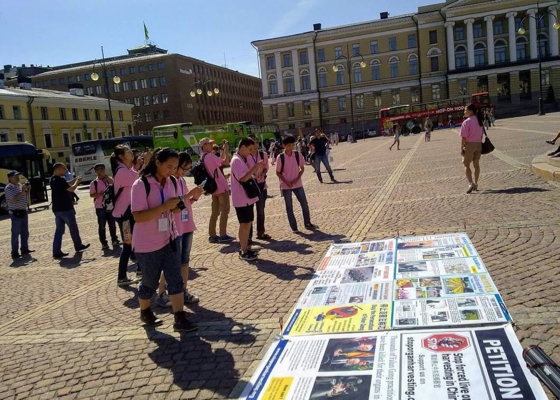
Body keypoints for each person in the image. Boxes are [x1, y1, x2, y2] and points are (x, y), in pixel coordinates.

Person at [131, 148, 196, 332]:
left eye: (175, 167)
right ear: (157, 163)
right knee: (149, 283)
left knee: (175, 279)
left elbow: (176, 203)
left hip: (170, 237)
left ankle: (179, 318)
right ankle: (145, 310)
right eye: (169, 166)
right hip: (147, 244)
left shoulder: (172, 182)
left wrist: (175, 208)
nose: (172, 171)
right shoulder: (141, 184)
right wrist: (163, 207)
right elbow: (138, 217)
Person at [156, 152, 204, 307]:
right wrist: (189, 195)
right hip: (175, 227)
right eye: (183, 168)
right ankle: (162, 293)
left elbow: (185, 203)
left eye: (187, 169)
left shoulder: (181, 180)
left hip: (187, 224)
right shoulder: (169, 182)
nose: (184, 171)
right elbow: (173, 205)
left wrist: (194, 197)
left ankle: (183, 291)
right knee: (171, 263)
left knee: (185, 261)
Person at [111, 145, 150, 286]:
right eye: (127, 151)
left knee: (136, 241)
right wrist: (146, 162)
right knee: (128, 244)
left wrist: (141, 164)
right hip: (124, 215)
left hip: (128, 213)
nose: (131, 152)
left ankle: (140, 271)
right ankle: (122, 277)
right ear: (121, 156)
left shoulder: (128, 169)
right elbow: (141, 177)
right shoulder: (122, 171)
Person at [231, 138, 264, 260]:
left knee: (248, 222)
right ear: (243, 147)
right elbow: (243, 178)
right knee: (244, 224)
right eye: (249, 149)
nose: (250, 152)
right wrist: (255, 167)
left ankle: (246, 247)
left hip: (246, 197)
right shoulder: (236, 161)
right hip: (241, 198)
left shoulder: (242, 159)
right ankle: (243, 250)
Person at [276, 135, 317, 233]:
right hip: (286, 185)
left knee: (304, 203)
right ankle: (294, 227)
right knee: (289, 206)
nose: (291, 147)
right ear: (284, 145)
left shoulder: (297, 154)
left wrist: (297, 179)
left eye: (292, 145)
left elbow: (302, 168)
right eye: (288, 145)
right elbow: (278, 172)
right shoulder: (280, 157)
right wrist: (286, 181)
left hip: (297, 184)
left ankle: (307, 222)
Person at [50, 163, 90, 258]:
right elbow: (71, 189)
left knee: (59, 230)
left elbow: (67, 184)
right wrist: (77, 182)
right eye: (64, 169)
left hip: (57, 209)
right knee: (73, 227)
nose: (65, 171)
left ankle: (56, 250)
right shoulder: (60, 180)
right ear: (58, 169)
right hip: (65, 208)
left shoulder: (53, 179)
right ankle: (78, 245)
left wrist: (75, 179)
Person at [199, 137, 233, 243]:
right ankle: (223, 234)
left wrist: (223, 150)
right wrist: (226, 150)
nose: (211, 145)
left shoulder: (203, 156)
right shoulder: (209, 156)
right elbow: (226, 162)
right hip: (220, 186)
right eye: (209, 144)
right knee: (225, 210)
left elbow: (220, 162)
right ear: (204, 146)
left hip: (213, 187)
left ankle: (212, 234)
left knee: (215, 212)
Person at [89, 163, 120, 250]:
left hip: (110, 205)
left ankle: (114, 239)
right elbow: (91, 195)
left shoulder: (107, 179)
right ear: (95, 171)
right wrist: (100, 194)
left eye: (102, 168)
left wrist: (105, 176)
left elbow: (114, 183)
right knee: (102, 225)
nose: (101, 170)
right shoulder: (94, 183)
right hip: (100, 206)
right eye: (98, 169)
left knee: (112, 224)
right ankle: (104, 242)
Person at [247, 135, 271, 241]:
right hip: (251, 187)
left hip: (261, 186)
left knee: (260, 211)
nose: (255, 145)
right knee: (250, 212)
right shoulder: (245, 156)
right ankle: (248, 236)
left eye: (257, 142)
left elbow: (266, 167)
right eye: (253, 143)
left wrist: (263, 173)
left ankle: (260, 232)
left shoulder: (263, 154)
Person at [5, 171, 33, 259]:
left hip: (23, 211)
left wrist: (28, 189)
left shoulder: (20, 185)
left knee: (25, 232)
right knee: (15, 233)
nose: (17, 177)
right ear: (10, 178)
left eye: (18, 176)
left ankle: (24, 248)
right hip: (15, 212)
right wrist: (22, 191)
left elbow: (25, 196)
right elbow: (14, 200)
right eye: (15, 176)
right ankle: (14, 252)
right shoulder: (8, 188)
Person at [460, 103, 485, 194]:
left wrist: (462, 147)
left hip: (469, 145)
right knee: (476, 165)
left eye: (465, 110)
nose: (464, 112)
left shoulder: (466, 122)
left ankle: (471, 183)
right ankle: (476, 183)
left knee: (466, 164)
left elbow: (463, 137)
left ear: (470, 111)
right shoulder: (479, 120)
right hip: (478, 144)